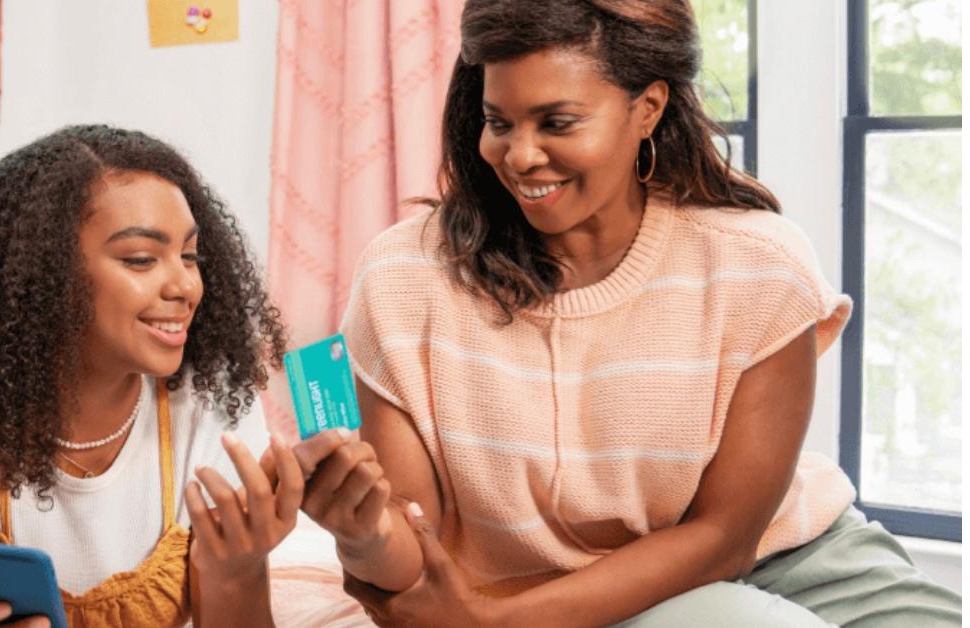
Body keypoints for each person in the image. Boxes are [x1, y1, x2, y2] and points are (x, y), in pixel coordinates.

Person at [309, 1, 963, 626]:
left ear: (646, 108)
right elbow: (413, 561)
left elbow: (725, 537)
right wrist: (361, 529)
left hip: (793, 555)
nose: (520, 155)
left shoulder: (757, 263)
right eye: (500, 121)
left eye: (556, 122)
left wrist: (487, 621)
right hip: (552, 600)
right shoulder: (401, 281)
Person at [0, 125, 350, 627]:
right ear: (43, 278)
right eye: (141, 259)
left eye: (190, 255)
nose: (185, 285)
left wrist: (237, 568)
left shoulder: (210, 403)